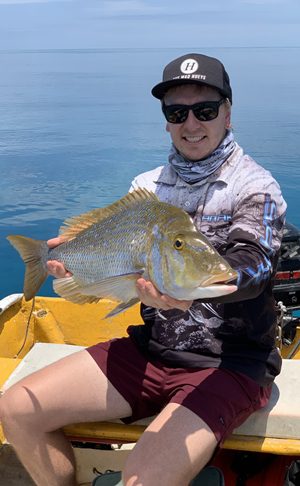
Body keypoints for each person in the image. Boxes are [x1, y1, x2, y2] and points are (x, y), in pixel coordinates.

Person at [0, 53, 287, 486]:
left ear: (228, 113)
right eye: (177, 112)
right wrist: (74, 265)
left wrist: (194, 288)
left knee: (142, 478)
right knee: (16, 408)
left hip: (231, 363)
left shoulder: (256, 187)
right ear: (166, 120)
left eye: (205, 110)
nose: (191, 124)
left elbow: (256, 264)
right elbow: (114, 263)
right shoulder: (147, 187)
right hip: (153, 350)